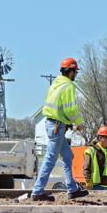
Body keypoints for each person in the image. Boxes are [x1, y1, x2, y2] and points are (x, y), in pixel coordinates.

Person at [31, 58, 89, 201]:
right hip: (57, 126)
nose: (76, 74)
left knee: (68, 156)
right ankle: (37, 191)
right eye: (75, 71)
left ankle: (72, 189)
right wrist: (79, 123)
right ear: (70, 71)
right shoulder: (68, 86)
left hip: (53, 124)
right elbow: (70, 109)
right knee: (50, 158)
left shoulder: (55, 84)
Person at [83, 126, 107, 190]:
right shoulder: (91, 151)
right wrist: (88, 181)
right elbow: (86, 168)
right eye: (106, 137)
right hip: (95, 186)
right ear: (100, 138)